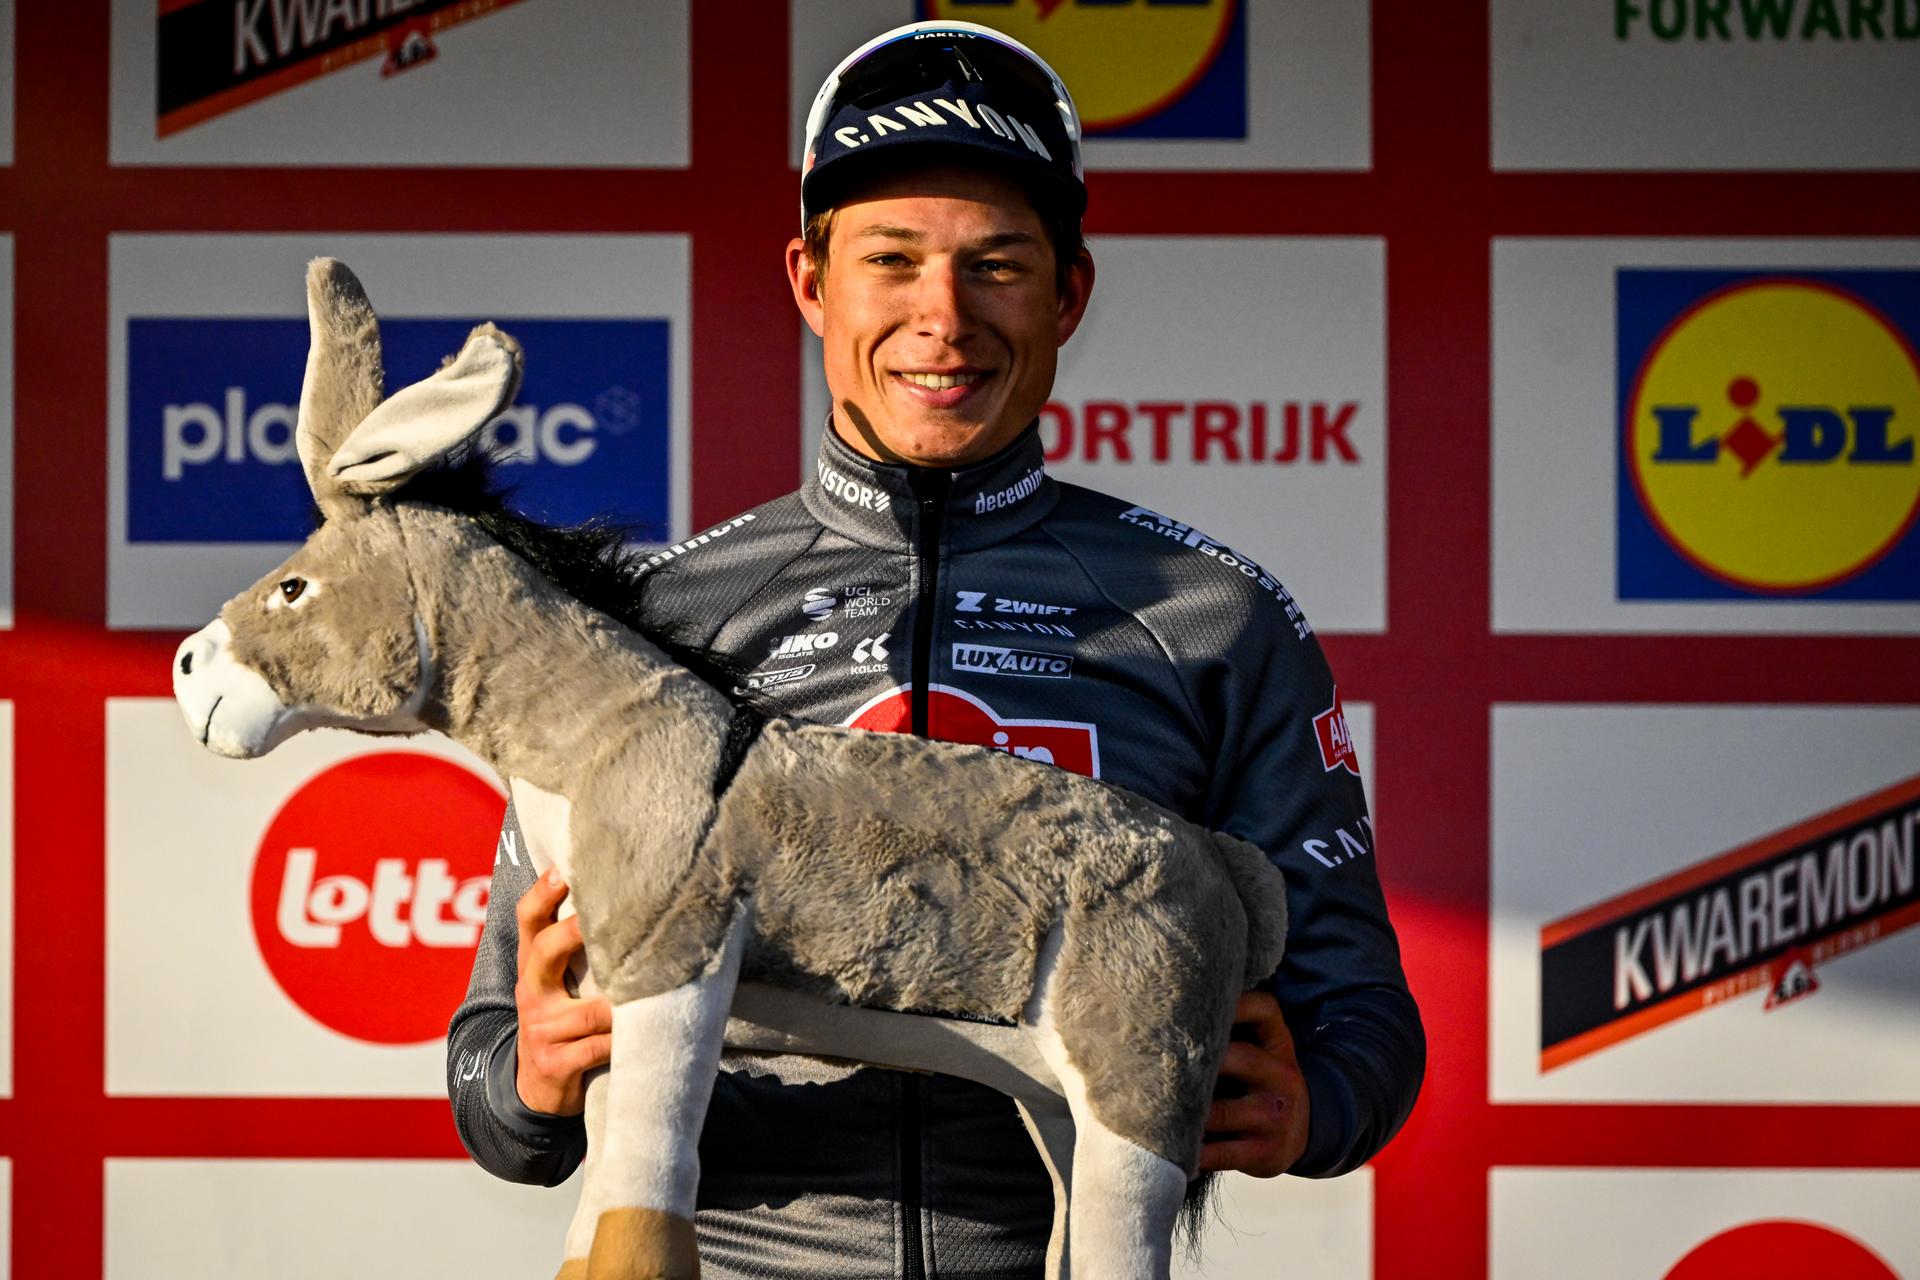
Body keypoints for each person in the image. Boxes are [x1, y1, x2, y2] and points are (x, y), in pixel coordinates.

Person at [447, 20, 1423, 1277]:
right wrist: (529, 1073)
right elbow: (486, 1073)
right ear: (810, 280)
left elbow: (1366, 1022)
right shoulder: (660, 622)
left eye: (998, 265)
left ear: (1069, 291)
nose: (942, 318)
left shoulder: (1212, 616)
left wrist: (1313, 1104)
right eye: (891, 259)